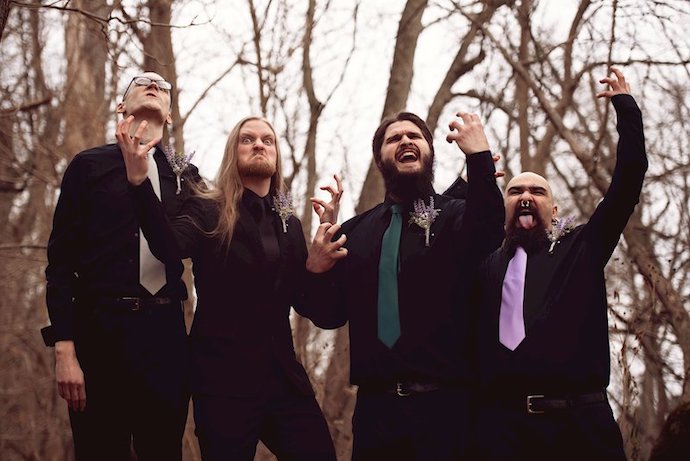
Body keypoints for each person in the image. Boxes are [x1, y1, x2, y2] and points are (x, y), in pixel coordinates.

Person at [118, 115, 340, 460]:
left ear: (276, 155)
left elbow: (313, 308)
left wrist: (318, 266)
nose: (258, 145)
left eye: (267, 140)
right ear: (233, 153)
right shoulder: (208, 208)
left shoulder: (290, 225)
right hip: (222, 381)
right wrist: (138, 184)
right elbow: (168, 246)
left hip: (283, 380)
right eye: (247, 139)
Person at [303, 111, 505, 459]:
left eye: (415, 136)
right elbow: (328, 315)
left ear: (429, 152)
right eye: (394, 139)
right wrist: (316, 269)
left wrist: (479, 157)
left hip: (450, 412)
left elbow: (488, 229)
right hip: (375, 417)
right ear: (379, 160)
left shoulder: (456, 215)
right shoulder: (354, 233)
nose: (406, 141)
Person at [473, 67, 646, 460]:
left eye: (537, 191)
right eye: (515, 191)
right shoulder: (486, 268)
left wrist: (626, 107)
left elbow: (628, 182)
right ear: (505, 207)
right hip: (504, 435)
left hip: (579, 430)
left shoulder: (582, 248)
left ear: (554, 210)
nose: (526, 196)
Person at [43, 71, 200, 460]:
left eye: (162, 86)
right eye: (141, 82)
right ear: (121, 106)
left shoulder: (185, 177)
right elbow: (60, 263)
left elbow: (183, 250)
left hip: (165, 338)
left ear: (170, 115)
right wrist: (64, 349)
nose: (154, 84)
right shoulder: (87, 166)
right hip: (99, 335)